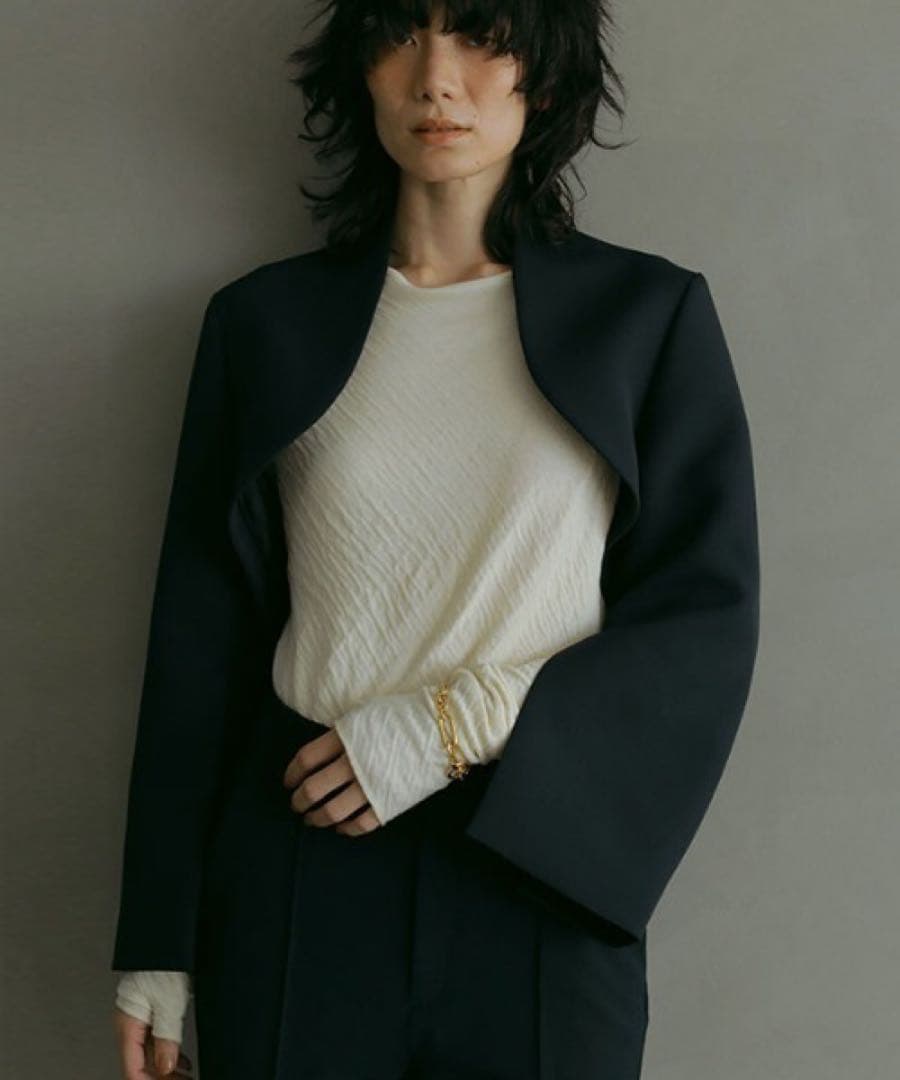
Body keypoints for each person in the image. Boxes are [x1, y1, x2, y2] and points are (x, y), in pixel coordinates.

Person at [111, 2, 760, 1078]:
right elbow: (198, 642)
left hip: (540, 866)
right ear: (359, 73)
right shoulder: (261, 324)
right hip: (301, 860)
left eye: (481, 36)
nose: (436, 78)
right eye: (400, 34)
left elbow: (704, 619)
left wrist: (444, 729)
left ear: (543, 74)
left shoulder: (646, 318)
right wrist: (156, 942)